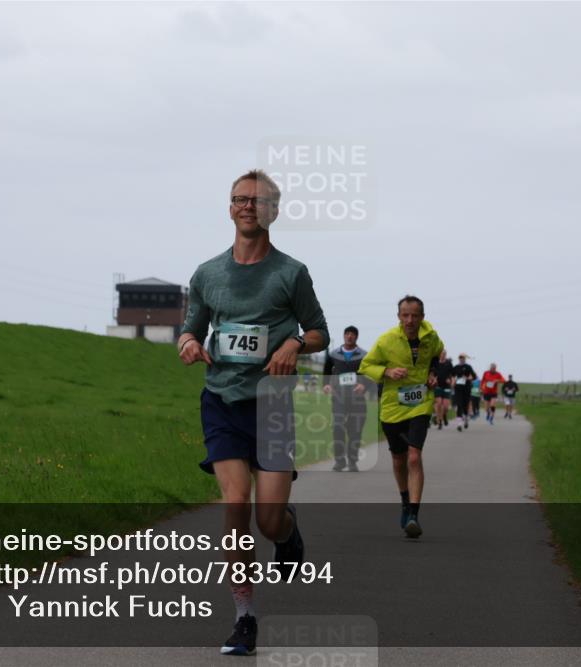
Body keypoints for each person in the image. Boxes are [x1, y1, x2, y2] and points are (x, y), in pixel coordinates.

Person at [177, 169, 329, 656]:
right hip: (221, 400)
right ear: (230, 208)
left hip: (274, 407)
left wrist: (293, 343)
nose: (247, 206)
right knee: (235, 503)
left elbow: (319, 332)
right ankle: (244, 618)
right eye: (239, 199)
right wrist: (187, 343)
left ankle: (288, 530)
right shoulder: (207, 274)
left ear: (273, 211)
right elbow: (190, 328)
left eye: (257, 201)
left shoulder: (291, 273)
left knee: (267, 520)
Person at [358, 296, 444, 539]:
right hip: (393, 406)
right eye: (405, 315)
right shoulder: (386, 341)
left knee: (414, 457)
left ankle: (414, 515)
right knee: (398, 458)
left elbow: (438, 354)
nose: (410, 320)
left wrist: (433, 373)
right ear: (398, 317)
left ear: (422, 317)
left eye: (415, 315)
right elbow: (366, 366)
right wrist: (387, 371)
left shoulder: (431, 337)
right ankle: (405, 501)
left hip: (420, 403)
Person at [323, 326, 369, 471]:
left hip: (357, 399)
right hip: (339, 397)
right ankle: (339, 461)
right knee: (337, 427)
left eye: (352, 334)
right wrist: (326, 385)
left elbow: (370, 373)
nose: (349, 336)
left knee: (355, 430)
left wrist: (364, 386)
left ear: (356, 337)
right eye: (347, 334)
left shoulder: (364, 355)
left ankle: (353, 461)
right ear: (344, 336)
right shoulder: (334, 354)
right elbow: (326, 371)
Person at [449, 354, 477, 432]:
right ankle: (459, 424)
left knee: (465, 405)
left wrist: (468, 378)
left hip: (466, 388)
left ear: (465, 359)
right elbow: (452, 376)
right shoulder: (456, 367)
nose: (461, 359)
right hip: (458, 389)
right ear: (459, 359)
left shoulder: (468, 367)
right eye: (460, 358)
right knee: (459, 405)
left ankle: (466, 419)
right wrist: (452, 381)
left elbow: (474, 376)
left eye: (463, 358)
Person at [431, 350, 454, 430]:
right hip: (438, 386)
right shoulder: (435, 363)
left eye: (444, 354)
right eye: (442, 354)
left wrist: (451, 381)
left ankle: (444, 416)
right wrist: (434, 379)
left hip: (446, 387)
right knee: (439, 403)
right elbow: (432, 374)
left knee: (446, 407)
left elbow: (453, 375)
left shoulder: (448, 363)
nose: (443, 355)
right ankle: (440, 421)